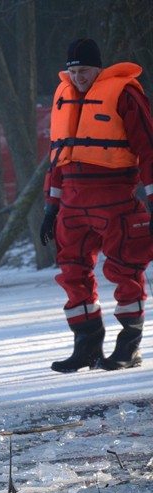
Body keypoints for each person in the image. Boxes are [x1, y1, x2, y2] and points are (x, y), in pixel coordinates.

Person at [40, 38, 153, 373]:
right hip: (72, 206)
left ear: (98, 68)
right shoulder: (64, 99)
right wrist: (50, 208)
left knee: (125, 271)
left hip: (116, 201)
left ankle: (129, 346)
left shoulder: (125, 94)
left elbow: (148, 151)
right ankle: (87, 345)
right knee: (72, 272)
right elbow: (57, 159)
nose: (78, 77)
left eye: (84, 70)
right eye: (73, 71)